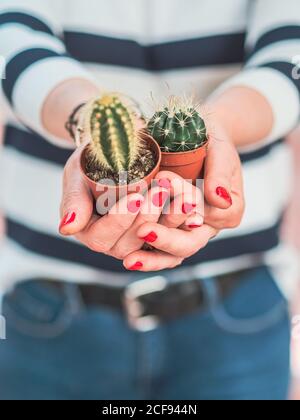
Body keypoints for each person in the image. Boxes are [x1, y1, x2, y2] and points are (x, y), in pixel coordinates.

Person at [0, 0, 299, 400]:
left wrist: (217, 132)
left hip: (239, 303)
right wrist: (87, 120)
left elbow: (290, 51)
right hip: (47, 303)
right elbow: (12, 35)